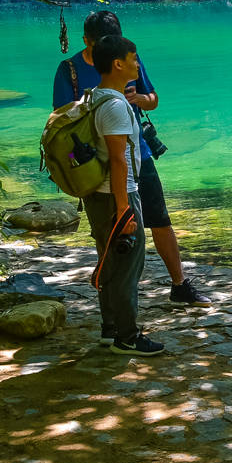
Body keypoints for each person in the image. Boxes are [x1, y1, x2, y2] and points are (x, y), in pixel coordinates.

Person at [53, 10, 213, 306]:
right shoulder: (70, 70)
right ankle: (112, 293)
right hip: (94, 162)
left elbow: (152, 100)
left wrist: (137, 99)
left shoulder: (127, 60)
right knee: (108, 228)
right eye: (98, 43)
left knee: (160, 220)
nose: (105, 48)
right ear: (86, 40)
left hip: (138, 153)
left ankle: (180, 285)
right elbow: (61, 120)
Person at [85, 36, 164, 355]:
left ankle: (110, 328)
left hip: (96, 194)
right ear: (118, 64)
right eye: (133, 58)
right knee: (128, 265)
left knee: (110, 261)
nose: (137, 63)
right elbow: (118, 159)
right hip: (117, 196)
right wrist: (124, 209)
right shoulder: (116, 106)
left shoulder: (93, 97)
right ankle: (127, 337)